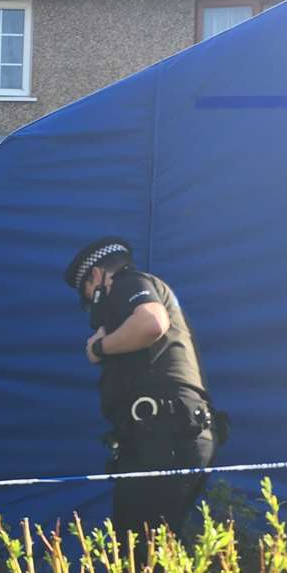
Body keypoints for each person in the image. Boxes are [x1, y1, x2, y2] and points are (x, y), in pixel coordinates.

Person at [63, 236, 224, 553]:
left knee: (141, 554)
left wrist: (99, 347)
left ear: (96, 276)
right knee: (154, 549)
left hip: (163, 430)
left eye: (87, 294)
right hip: (168, 430)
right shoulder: (145, 287)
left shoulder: (127, 282)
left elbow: (151, 323)